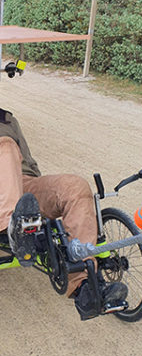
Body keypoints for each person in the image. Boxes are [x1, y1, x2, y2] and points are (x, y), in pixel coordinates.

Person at [0, 107, 127, 320]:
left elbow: (27, 164)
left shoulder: (6, 119)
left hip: (24, 184)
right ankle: (14, 228)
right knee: (6, 145)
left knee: (74, 187)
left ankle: (84, 287)